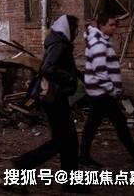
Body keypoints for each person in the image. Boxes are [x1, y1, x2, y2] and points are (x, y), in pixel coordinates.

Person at [13, 15, 87, 193]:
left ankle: (70, 182)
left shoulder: (59, 42)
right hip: (55, 99)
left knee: (69, 141)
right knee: (62, 141)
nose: (77, 32)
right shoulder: (60, 44)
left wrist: (81, 76)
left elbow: (65, 67)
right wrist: (70, 78)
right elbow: (48, 69)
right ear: (68, 28)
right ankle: (23, 165)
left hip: (56, 98)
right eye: (75, 28)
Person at [80, 13, 134, 167]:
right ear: (101, 25)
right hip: (102, 93)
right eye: (111, 25)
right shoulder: (98, 43)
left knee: (94, 125)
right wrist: (112, 90)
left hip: (98, 92)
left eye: (115, 25)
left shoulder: (99, 40)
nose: (114, 28)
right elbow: (100, 71)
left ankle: (84, 157)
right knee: (119, 124)